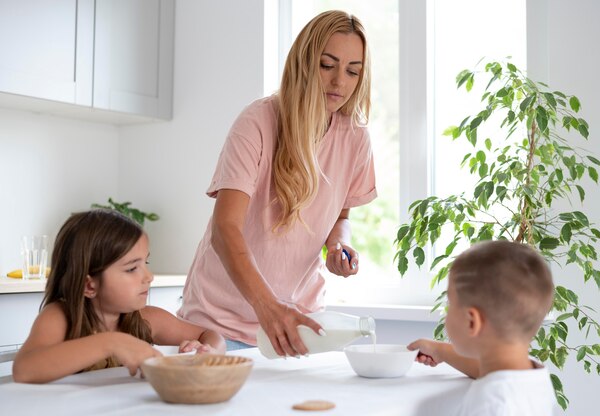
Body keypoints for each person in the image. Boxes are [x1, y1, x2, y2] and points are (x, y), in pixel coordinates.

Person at [178, 10, 376, 356]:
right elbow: (226, 228)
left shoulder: (356, 138)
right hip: (222, 326)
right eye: (327, 65)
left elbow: (340, 216)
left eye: (352, 71)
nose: (339, 82)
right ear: (303, 62)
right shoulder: (258, 122)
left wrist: (336, 247)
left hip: (298, 323)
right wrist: (266, 306)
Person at [12, 209, 225, 383]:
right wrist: (111, 342)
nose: (148, 277)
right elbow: (24, 370)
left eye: (145, 263)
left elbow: (209, 334)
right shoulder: (60, 318)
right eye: (132, 269)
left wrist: (209, 351)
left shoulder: (146, 318)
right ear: (89, 285)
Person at [408, 240, 557, 415]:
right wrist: (439, 350)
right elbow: (482, 369)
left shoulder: (492, 406)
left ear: (472, 321)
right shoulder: (528, 373)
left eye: (450, 305)